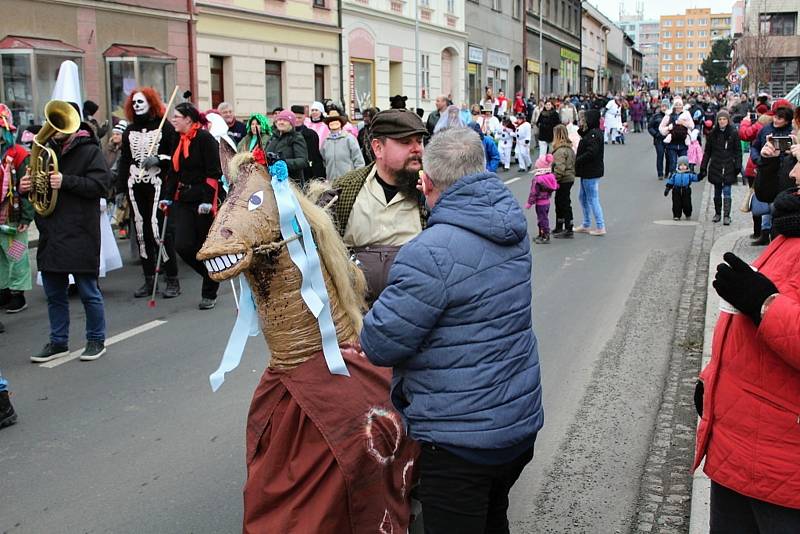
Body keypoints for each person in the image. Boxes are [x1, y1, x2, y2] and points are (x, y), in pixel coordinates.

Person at [359, 127, 543, 534]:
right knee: (494, 517)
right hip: (516, 421)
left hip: (461, 441)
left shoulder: (428, 253)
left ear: (425, 180)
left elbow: (379, 342)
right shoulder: (510, 225)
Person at [694, 184, 800, 531]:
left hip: (783, 470)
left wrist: (765, 305)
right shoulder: (791, 226)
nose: (795, 169)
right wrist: (713, 382)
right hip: (740, 452)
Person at [21, 60, 111, 362]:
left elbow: (101, 186)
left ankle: (96, 339)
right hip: (51, 229)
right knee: (55, 295)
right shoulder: (44, 149)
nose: (55, 131)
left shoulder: (90, 150)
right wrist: (28, 185)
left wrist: (66, 181)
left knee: (88, 292)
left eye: (61, 126)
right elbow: (39, 189)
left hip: (81, 230)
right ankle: (58, 341)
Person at [330, 109, 428, 305]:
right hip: (357, 314)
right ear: (378, 148)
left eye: (419, 141)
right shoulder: (344, 191)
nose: (417, 149)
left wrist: (435, 199)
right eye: (406, 142)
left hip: (414, 312)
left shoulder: (431, 191)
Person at [117, 88, 180, 299]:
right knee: (141, 232)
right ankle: (148, 279)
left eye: (140, 101)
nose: (136, 105)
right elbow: (125, 160)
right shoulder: (129, 130)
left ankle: (172, 278)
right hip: (135, 185)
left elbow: (175, 155)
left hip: (157, 184)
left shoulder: (165, 127)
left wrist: (160, 159)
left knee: (158, 230)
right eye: (134, 102)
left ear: (150, 103)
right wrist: (120, 190)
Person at [165, 102, 223, 310]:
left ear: (188, 119)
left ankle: (209, 291)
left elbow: (214, 172)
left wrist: (208, 201)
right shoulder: (177, 139)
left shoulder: (205, 139)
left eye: (176, 117)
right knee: (182, 244)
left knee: (204, 245)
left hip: (202, 198)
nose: (173, 120)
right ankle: (211, 275)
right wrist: (166, 196)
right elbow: (173, 170)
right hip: (184, 197)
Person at [0, 103, 32, 314]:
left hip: (13, 213)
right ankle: (3, 290)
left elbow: (28, 187)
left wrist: (26, 217)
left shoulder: (19, 153)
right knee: (0, 256)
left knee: (16, 254)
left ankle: (18, 294)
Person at [751, 103, 795, 245]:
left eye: (780, 118)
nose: (776, 120)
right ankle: (765, 232)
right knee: (768, 204)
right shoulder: (766, 130)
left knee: (777, 207)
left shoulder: (792, 132)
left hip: (786, 175)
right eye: (775, 117)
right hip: (768, 170)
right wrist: (762, 160)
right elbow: (755, 147)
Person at [699, 110, 741, 226]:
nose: (722, 121)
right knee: (717, 192)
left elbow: (738, 151)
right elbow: (707, 152)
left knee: (727, 191)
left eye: (724, 119)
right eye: (720, 119)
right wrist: (703, 166)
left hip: (728, 165)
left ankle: (726, 215)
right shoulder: (713, 133)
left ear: (728, 120)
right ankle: (718, 213)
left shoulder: (733, 133)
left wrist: (738, 165)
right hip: (716, 165)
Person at [574, 109, 606, 236]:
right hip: (586, 170)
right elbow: (582, 133)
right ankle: (586, 224)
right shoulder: (591, 132)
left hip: (591, 170)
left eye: (585, 119)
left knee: (592, 198)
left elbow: (591, 152)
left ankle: (600, 226)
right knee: (582, 197)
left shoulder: (595, 134)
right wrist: (582, 125)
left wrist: (577, 160)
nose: (583, 121)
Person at [265, 110, 309, 188]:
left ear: (291, 123)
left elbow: (303, 161)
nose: (281, 122)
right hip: (271, 182)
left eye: (285, 120)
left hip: (291, 184)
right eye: (279, 120)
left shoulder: (296, 137)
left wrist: (283, 162)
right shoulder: (273, 138)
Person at [321, 112, 364, 181]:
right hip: (331, 182)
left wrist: (357, 178)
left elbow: (359, 160)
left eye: (336, 122)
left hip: (349, 181)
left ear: (340, 123)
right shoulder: (325, 142)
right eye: (331, 122)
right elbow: (324, 161)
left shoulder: (349, 139)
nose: (334, 124)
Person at [525, 153, 558, 244]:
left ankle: (545, 235)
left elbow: (533, 192)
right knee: (544, 218)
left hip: (540, 203)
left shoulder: (538, 179)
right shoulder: (550, 176)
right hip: (547, 202)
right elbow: (554, 186)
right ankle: (541, 234)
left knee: (542, 219)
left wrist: (529, 203)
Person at [551, 124, 576, 239]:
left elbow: (559, 169)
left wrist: (552, 181)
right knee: (561, 201)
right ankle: (560, 225)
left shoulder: (559, 151)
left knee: (563, 202)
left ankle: (568, 228)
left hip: (563, 179)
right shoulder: (569, 148)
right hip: (569, 177)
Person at [659, 98, 694, 177]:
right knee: (673, 163)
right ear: (674, 106)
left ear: (682, 105)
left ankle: (683, 180)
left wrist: (684, 123)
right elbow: (661, 128)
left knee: (683, 163)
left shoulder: (686, 114)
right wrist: (669, 128)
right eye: (676, 105)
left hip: (683, 142)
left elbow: (692, 126)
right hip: (672, 143)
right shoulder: (669, 115)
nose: (678, 106)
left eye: (680, 105)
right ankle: (673, 180)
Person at [291, 105, 325, 182]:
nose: (297, 120)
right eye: (295, 118)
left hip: (308, 172)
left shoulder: (311, 134)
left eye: (299, 118)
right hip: (291, 171)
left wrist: (319, 175)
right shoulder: (285, 134)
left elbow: (316, 156)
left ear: (304, 118)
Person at [664, 156, 700, 221]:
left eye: (684, 165)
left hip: (686, 190)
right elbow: (671, 181)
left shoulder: (689, 174)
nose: (683, 167)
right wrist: (667, 188)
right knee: (676, 203)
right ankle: (676, 215)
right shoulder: (675, 173)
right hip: (676, 190)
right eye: (681, 165)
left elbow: (696, 178)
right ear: (678, 166)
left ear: (687, 166)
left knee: (687, 203)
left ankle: (688, 213)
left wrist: (701, 175)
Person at [648, 103, 668, 179]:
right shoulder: (656, 116)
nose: (664, 108)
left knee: (669, 157)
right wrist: (656, 134)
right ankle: (660, 173)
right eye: (663, 106)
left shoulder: (670, 116)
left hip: (668, 139)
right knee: (660, 155)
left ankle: (667, 172)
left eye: (666, 107)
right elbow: (650, 127)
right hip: (658, 139)